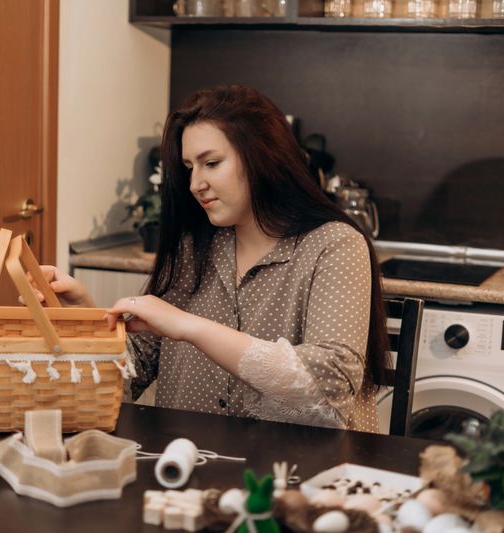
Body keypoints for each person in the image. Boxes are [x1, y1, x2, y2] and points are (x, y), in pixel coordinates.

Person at [41, 85, 390, 432]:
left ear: (263, 157)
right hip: (189, 469)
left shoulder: (336, 246)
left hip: (295, 479)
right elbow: (130, 373)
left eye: (211, 163)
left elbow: (329, 385)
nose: (195, 184)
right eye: (189, 167)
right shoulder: (194, 249)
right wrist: (84, 317)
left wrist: (189, 326)